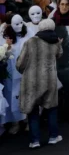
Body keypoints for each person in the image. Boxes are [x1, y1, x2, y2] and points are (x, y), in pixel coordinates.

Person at [15, 18, 62, 149]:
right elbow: (59, 55)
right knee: (51, 108)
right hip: (50, 80)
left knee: (33, 110)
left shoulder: (30, 42)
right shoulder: (55, 42)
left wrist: (21, 69)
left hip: (31, 80)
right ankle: (54, 137)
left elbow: (20, 63)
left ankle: (35, 141)